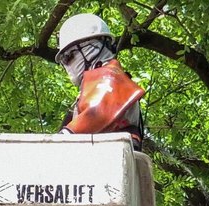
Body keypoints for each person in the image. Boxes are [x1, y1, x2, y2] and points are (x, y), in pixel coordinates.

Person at [56, 13, 145, 151]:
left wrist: (61, 139)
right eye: (63, 61)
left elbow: (96, 113)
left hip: (109, 158)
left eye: (69, 57)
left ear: (94, 46)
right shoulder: (97, 86)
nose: (68, 66)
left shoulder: (111, 77)